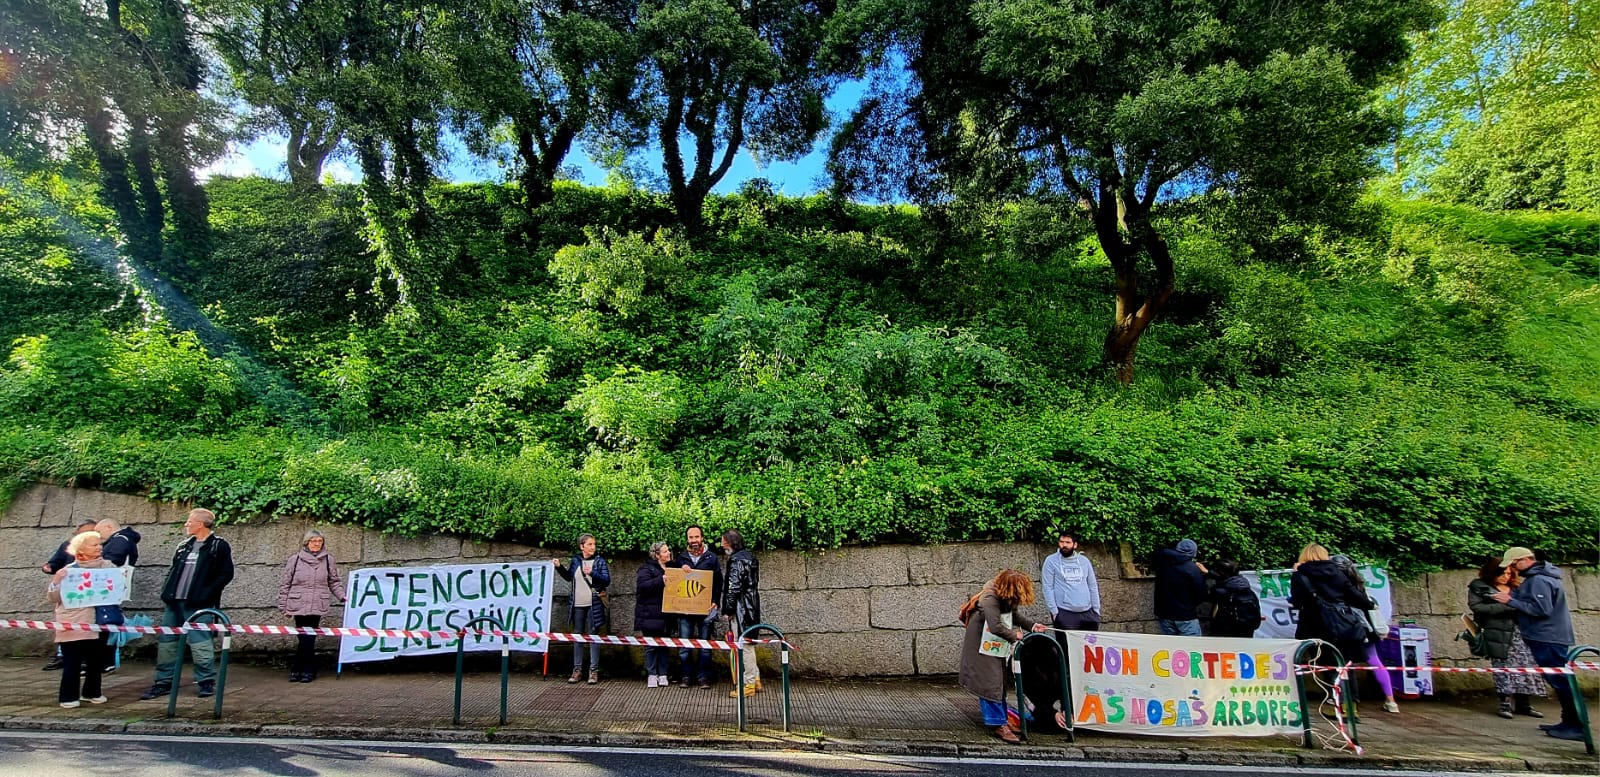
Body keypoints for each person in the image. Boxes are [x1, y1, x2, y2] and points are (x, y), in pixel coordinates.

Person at [1288, 544, 1399, 714]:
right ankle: (1350, 707)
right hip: (1342, 624)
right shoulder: (1336, 572)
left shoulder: (1301, 575)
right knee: (1345, 664)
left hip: (1315, 625)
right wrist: (1368, 604)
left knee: (1326, 665)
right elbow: (1354, 595)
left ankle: (1335, 703)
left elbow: (1297, 600)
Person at [139, 508, 235, 701]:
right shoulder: (183, 546)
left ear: (201, 524)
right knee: (167, 643)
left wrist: (206, 594)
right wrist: (166, 592)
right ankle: (163, 682)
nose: (186, 524)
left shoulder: (218, 546)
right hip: (174, 602)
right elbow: (173, 570)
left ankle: (206, 681)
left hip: (198, 604)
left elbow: (226, 574)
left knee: (201, 643)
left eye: (190, 521)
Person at [1493, 547, 1585, 742]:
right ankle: (1568, 722)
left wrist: (1510, 600)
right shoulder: (1542, 578)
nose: (1513, 569)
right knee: (1560, 681)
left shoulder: (1539, 580)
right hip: (1550, 636)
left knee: (1561, 683)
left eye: (1513, 564)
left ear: (1525, 560)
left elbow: (1541, 609)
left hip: (1547, 637)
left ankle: (1576, 726)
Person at [958, 568, 1050, 743]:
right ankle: (998, 724)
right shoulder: (990, 598)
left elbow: (1013, 615)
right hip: (981, 642)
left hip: (994, 644)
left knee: (999, 680)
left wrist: (1032, 626)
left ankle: (1002, 720)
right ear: (1010, 588)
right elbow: (995, 626)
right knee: (989, 682)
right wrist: (1015, 635)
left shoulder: (1007, 595)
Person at [48, 531, 121, 708]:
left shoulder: (109, 567)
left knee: (96, 661)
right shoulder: (69, 570)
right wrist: (56, 581)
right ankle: (68, 697)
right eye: (94, 544)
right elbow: (53, 597)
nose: (99, 547)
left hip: (100, 620)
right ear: (80, 549)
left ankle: (92, 692)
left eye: (99, 544)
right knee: (72, 662)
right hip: (73, 621)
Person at [1467, 558, 1546, 720]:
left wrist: (1514, 604)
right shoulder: (1480, 586)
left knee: (1525, 665)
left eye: (1509, 573)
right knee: (1503, 666)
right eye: (1502, 573)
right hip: (1498, 632)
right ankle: (1504, 703)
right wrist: (1508, 606)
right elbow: (1477, 607)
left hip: (1520, 631)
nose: (1506, 577)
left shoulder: (1516, 587)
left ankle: (1524, 703)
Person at [277, 529, 346, 683]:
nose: (317, 544)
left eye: (320, 541)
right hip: (298, 603)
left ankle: (301, 669)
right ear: (307, 542)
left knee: (309, 637)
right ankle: (304, 669)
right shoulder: (295, 560)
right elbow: (285, 584)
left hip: (317, 603)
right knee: (303, 636)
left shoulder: (328, 560)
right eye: (314, 541)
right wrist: (284, 606)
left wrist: (342, 596)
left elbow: (334, 581)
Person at [40, 521, 98, 672]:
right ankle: (62, 656)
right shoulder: (67, 552)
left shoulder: (102, 559)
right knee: (67, 630)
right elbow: (55, 563)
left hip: (92, 600)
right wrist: (50, 568)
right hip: (70, 596)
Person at [553, 534, 610, 684]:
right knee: (577, 636)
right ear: (582, 546)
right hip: (577, 604)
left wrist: (592, 573)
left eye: (594, 544)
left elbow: (606, 580)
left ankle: (593, 671)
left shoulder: (599, 561)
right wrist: (559, 567)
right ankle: (577, 670)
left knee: (593, 636)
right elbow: (569, 577)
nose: (593, 547)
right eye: (589, 544)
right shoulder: (576, 561)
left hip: (593, 604)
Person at [675, 525, 723, 688]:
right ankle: (685, 676)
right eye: (691, 537)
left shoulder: (711, 558)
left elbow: (718, 582)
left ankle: (704, 677)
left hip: (705, 609)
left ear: (702, 538)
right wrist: (680, 570)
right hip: (685, 610)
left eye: (697, 537)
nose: (694, 540)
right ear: (687, 539)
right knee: (684, 646)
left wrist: (715, 601)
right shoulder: (680, 558)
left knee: (705, 645)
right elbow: (673, 581)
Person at [721, 529, 761, 698]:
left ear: (731, 542)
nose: (722, 544)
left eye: (724, 541)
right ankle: (756, 680)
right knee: (749, 643)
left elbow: (734, 587)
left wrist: (728, 609)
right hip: (751, 605)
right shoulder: (749, 557)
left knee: (744, 645)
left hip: (741, 608)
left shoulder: (736, 560)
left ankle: (749, 684)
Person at [1040, 531, 1100, 631]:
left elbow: (1092, 586)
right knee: (1067, 645)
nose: (1064, 545)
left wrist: (1096, 610)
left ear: (1075, 545)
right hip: (1064, 612)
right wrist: (1054, 612)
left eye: (1068, 542)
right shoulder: (1051, 561)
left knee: (1088, 646)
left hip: (1088, 613)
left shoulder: (1084, 561)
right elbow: (1047, 587)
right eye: (1061, 542)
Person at [1152, 539, 1208, 636]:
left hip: (1165, 613)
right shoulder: (1193, 569)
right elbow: (1201, 593)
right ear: (1193, 553)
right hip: (1186, 615)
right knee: (1192, 648)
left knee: (1170, 647)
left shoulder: (1162, 564)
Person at [636, 541, 673, 688]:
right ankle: (652, 674)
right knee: (651, 645)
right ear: (657, 555)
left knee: (664, 645)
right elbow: (642, 587)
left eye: (668, 550)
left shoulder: (671, 567)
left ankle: (663, 674)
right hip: (650, 614)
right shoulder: (646, 569)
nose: (669, 553)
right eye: (665, 551)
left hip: (666, 613)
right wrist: (660, 580)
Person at [1205, 559, 1261, 638]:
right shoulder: (1244, 583)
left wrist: (1208, 574)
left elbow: (1209, 597)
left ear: (1220, 572)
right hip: (1247, 627)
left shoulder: (1220, 590)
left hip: (1228, 629)